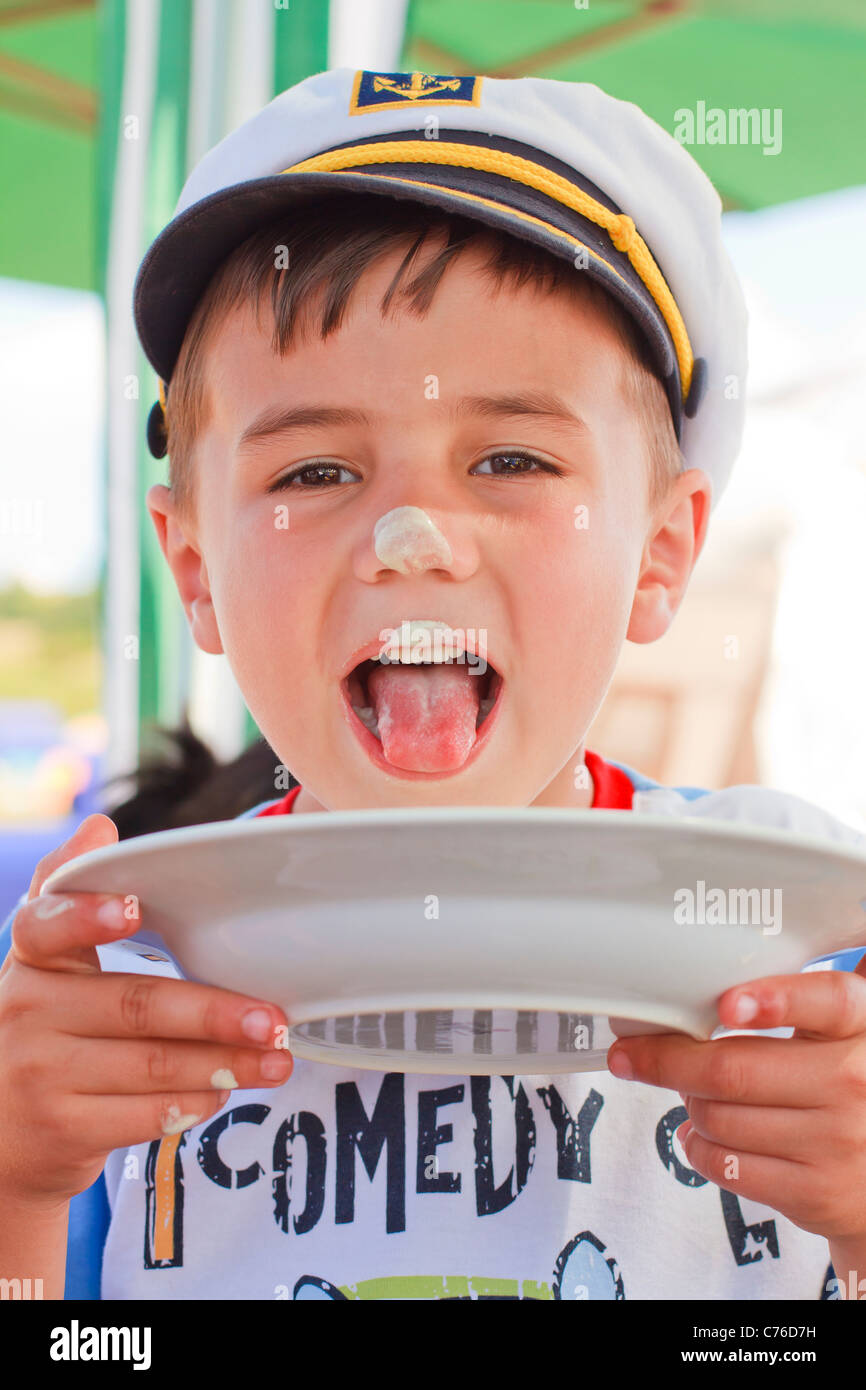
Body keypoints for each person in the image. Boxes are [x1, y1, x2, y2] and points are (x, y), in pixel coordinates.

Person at [2, 67, 866, 1302]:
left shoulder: (810, 941)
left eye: (509, 457)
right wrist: (17, 1187)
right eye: (311, 471)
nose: (410, 534)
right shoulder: (110, 992)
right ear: (193, 566)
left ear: (660, 551)